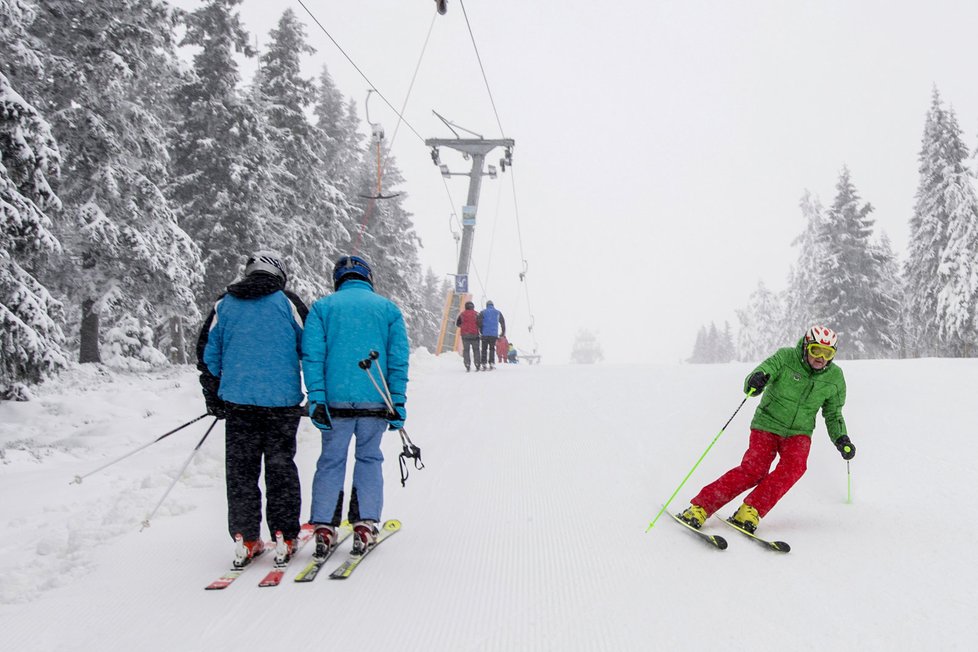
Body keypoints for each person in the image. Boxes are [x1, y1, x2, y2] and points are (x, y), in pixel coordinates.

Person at [678, 325, 855, 533]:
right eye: (816, 351)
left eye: (828, 353)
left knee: (794, 467)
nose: (821, 358)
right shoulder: (786, 357)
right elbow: (762, 372)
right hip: (767, 424)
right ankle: (700, 507)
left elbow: (833, 413)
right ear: (806, 347)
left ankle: (750, 510)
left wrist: (841, 438)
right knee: (754, 470)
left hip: (799, 432)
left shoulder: (834, 377)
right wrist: (756, 380)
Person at [196, 251, 308, 566]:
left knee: (242, 471)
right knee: (281, 468)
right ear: (279, 274)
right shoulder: (288, 304)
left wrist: (212, 395)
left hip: (238, 404)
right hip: (281, 404)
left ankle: (246, 538)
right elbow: (310, 347)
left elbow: (208, 353)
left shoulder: (225, 304)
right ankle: (284, 535)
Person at [302, 255, 410, 557]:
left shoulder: (322, 308)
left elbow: (312, 357)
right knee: (369, 459)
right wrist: (397, 401)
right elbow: (398, 359)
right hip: (375, 400)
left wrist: (317, 399)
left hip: (334, 402)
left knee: (331, 460)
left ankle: (324, 525)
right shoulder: (388, 310)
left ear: (338, 278)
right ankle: (364, 524)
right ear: (368, 277)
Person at [477, 300, 506, 370]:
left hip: (485, 334)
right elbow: (502, 322)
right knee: (492, 349)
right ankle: (491, 363)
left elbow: (479, 322)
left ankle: (483, 363)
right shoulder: (498, 312)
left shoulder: (483, 312)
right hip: (493, 334)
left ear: (487, 305)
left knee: (484, 349)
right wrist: (502, 333)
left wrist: (481, 331)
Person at [455, 300, 481, 372]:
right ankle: (477, 364)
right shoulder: (476, 314)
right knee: (476, 350)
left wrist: (464, 327)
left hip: (465, 335)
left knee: (466, 350)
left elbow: (457, 324)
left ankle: (467, 365)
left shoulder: (462, 314)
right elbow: (480, 324)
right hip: (475, 335)